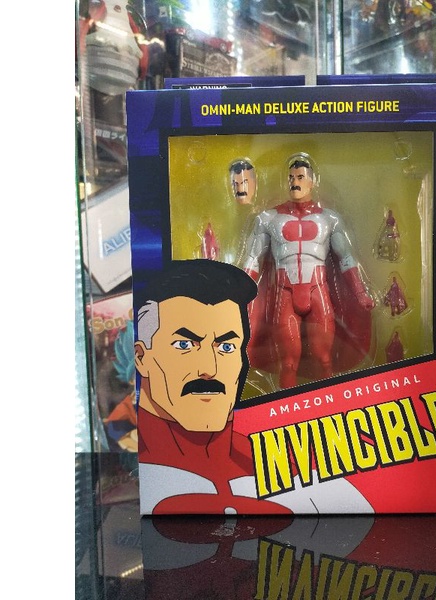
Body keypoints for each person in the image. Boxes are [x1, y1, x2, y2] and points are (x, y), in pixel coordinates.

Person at [135, 259, 372, 515]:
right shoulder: (145, 474)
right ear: (141, 357)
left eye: (226, 347)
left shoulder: (301, 475)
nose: (209, 369)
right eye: (184, 345)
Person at [241, 154, 375, 389]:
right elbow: (253, 259)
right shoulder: (269, 218)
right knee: (288, 363)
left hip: (318, 291)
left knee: (325, 360)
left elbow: (346, 258)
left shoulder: (329, 219)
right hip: (285, 293)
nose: (295, 182)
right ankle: (284, 408)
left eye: (300, 177)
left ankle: (331, 405)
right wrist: (238, 293)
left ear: (312, 182)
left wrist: (361, 293)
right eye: (291, 177)